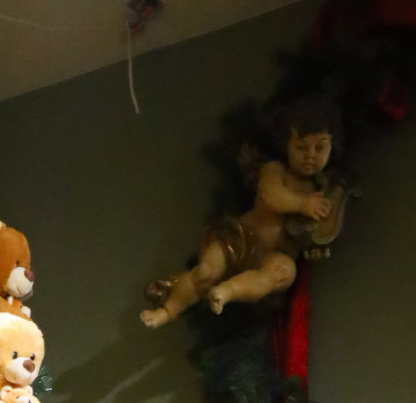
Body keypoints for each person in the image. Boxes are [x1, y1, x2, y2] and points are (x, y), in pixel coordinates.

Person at [141, 93, 344, 327]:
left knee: (285, 272)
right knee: (205, 272)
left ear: (332, 147)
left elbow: (312, 231)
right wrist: (302, 204)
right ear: (286, 144)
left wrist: (316, 245)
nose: (310, 155)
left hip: (275, 254)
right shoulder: (275, 170)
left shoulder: (322, 190)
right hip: (241, 238)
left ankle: (227, 292)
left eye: (320, 147)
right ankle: (168, 311)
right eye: (301, 146)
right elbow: (272, 196)